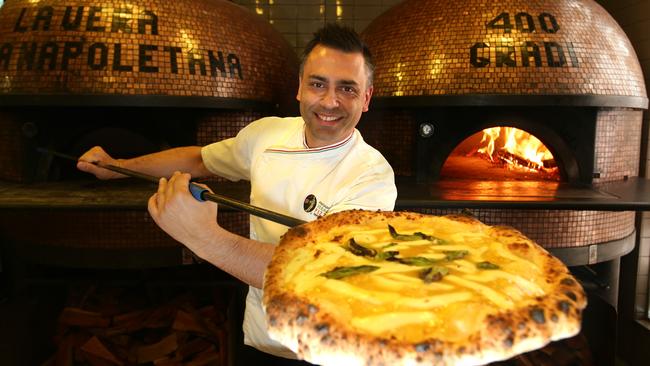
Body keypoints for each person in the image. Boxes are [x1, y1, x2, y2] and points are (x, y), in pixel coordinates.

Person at [77, 23, 396, 364]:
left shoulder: (371, 177)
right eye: (318, 84)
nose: (330, 101)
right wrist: (118, 165)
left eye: (347, 89)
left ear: (366, 98)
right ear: (300, 89)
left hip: (328, 347)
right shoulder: (266, 136)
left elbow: (322, 270)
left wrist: (204, 237)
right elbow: (199, 159)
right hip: (260, 337)